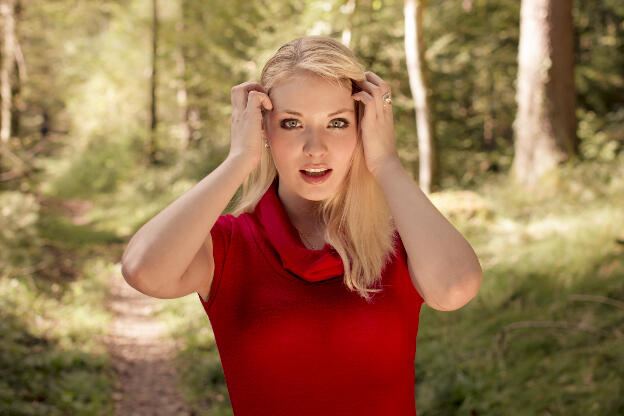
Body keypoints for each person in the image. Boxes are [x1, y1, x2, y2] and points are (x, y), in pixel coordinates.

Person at [121, 35, 482, 416]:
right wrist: (239, 159)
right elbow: (143, 270)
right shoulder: (230, 244)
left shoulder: (401, 238)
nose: (315, 147)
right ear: (264, 130)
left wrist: (387, 162)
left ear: (363, 128)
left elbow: (456, 289)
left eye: (337, 123)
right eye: (292, 123)